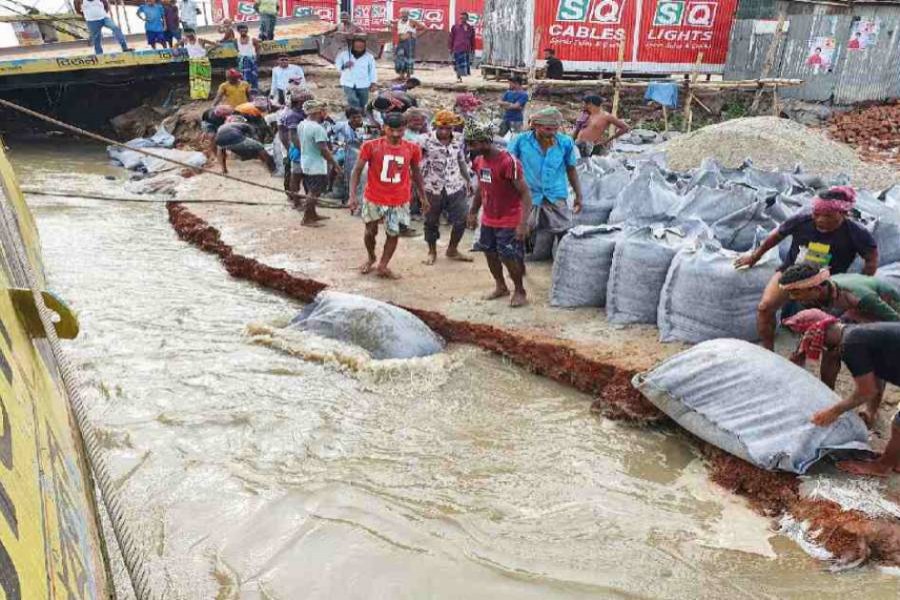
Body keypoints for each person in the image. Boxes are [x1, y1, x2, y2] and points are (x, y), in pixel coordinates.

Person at [734, 186, 878, 351]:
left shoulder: (857, 233)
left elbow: (871, 260)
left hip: (827, 283)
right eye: (816, 214)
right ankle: (768, 351)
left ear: (843, 213)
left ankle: (820, 354)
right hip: (791, 274)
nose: (820, 220)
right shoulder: (802, 221)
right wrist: (754, 257)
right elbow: (776, 236)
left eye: (828, 216)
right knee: (765, 307)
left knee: (831, 330)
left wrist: (858, 285)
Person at [784, 312, 900, 477]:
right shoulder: (858, 333)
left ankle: (882, 466)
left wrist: (834, 411)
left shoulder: (851, 344)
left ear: (821, 335)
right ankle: (894, 458)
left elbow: (866, 391)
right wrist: (870, 412)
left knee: (898, 426)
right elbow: (877, 379)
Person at [780, 264, 900, 389]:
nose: (792, 297)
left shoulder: (859, 297)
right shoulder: (815, 296)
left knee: (876, 355)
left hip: (887, 308)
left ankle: (872, 406)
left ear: (816, 289)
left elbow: (895, 322)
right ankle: (827, 393)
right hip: (855, 311)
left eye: (796, 293)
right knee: (831, 348)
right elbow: (816, 327)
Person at [348, 112, 427, 279]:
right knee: (370, 231)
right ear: (384, 128)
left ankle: (383, 265)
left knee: (393, 232)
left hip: (399, 199)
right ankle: (371, 257)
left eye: (400, 130)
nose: (396, 134)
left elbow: (417, 173)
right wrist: (352, 196)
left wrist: (423, 197)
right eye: (392, 130)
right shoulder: (370, 146)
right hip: (373, 197)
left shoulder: (412, 148)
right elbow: (356, 171)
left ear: (405, 129)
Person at [465, 122, 533, 308]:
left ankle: (519, 290)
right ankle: (501, 286)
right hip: (489, 217)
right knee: (490, 253)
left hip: (510, 218)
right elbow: (481, 188)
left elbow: (526, 194)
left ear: (486, 142)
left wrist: (522, 223)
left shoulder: (508, 162)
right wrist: (472, 211)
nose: (470, 147)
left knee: (508, 255)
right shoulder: (479, 161)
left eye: (474, 143)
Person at [508, 107, 582, 260]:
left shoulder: (565, 143)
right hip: (528, 195)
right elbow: (508, 167)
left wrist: (578, 194)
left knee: (563, 229)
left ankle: (562, 261)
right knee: (523, 229)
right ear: (535, 125)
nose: (552, 132)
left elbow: (571, 169)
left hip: (555, 194)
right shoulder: (520, 141)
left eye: (555, 128)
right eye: (548, 129)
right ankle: (523, 259)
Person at [419, 110, 472, 266]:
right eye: (441, 128)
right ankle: (432, 251)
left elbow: (461, 160)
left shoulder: (459, 139)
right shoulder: (425, 140)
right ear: (435, 126)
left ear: (453, 128)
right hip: (432, 186)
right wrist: (418, 188)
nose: (444, 132)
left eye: (448, 128)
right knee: (431, 221)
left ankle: (452, 249)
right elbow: (418, 164)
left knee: (462, 218)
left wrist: (468, 180)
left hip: (455, 185)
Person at [296, 100, 341, 227]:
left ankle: (312, 214)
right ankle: (307, 218)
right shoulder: (317, 128)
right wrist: (336, 165)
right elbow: (324, 149)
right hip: (316, 164)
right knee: (314, 192)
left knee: (311, 190)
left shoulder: (302, 124)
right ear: (318, 112)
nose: (325, 113)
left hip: (306, 161)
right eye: (323, 111)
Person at [277, 89, 309, 204]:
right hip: (295, 148)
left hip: (294, 147)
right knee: (295, 175)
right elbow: (291, 136)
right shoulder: (293, 115)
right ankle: (294, 198)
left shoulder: (297, 113)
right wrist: (302, 150)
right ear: (301, 102)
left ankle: (298, 197)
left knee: (298, 175)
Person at [329, 107, 364, 203]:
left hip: (360, 151)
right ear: (349, 118)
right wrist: (335, 143)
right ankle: (331, 186)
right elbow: (329, 134)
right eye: (354, 117)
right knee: (338, 163)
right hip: (345, 150)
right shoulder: (341, 125)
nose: (357, 119)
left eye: (359, 117)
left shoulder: (366, 126)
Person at [336, 36, 378, 110]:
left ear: (365, 46)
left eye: (361, 47)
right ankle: (356, 113)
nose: (359, 49)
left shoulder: (369, 57)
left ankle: (360, 113)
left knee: (363, 102)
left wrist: (373, 83)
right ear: (353, 46)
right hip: (348, 82)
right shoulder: (344, 55)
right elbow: (338, 66)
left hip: (364, 83)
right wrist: (344, 65)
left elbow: (372, 70)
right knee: (352, 100)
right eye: (357, 46)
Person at [394, 8, 426, 81]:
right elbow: (398, 30)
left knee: (409, 58)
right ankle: (401, 75)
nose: (403, 15)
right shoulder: (398, 22)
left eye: (405, 13)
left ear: (408, 14)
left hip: (409, 42)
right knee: (399, 58)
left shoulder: (412, 21)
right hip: (401, 41)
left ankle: (408, 76)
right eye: (402, 13)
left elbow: (424, 28)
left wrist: (415, 35)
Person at [449, 12, 476, 82]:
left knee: (464, 64)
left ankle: (461, 76)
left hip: (466, 48)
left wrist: (473, 49)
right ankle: (458, 77)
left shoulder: (470, 28)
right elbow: (451, 38)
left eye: (464, 18)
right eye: (461, 18)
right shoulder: (455, 27)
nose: (462, 19)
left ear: (467, 19)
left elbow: (472, 39)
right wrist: (450, 48)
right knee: (457, 63)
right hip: (457, 48)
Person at [235, 23, 261, 90]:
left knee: (253, 76)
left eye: (245, 30)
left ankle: (254, 91)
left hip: (251, 61)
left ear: (247, 30)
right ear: (238, 31)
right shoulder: (236, 40)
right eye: (241, 31)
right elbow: (238, 50)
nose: (243, 32)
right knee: (243, 77)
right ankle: (246, 92)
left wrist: (256, 59)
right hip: (242, 61)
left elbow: (258, 48)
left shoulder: (253, 39)